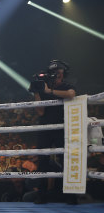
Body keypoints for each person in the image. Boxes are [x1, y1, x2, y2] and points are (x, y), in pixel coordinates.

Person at [32, 60, 77, 204]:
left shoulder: (66, 86)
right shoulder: (44, 87)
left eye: (59, 72)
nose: (57, 75)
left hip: (61, 127)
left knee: (65, 160)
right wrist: (37, 92)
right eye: (54, 72)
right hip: (44, 128)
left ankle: (70, 195)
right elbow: (40, 111)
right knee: (42, 161)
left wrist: (49, 91)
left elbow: (71, 94)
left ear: (63, 74)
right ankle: (41, 195)